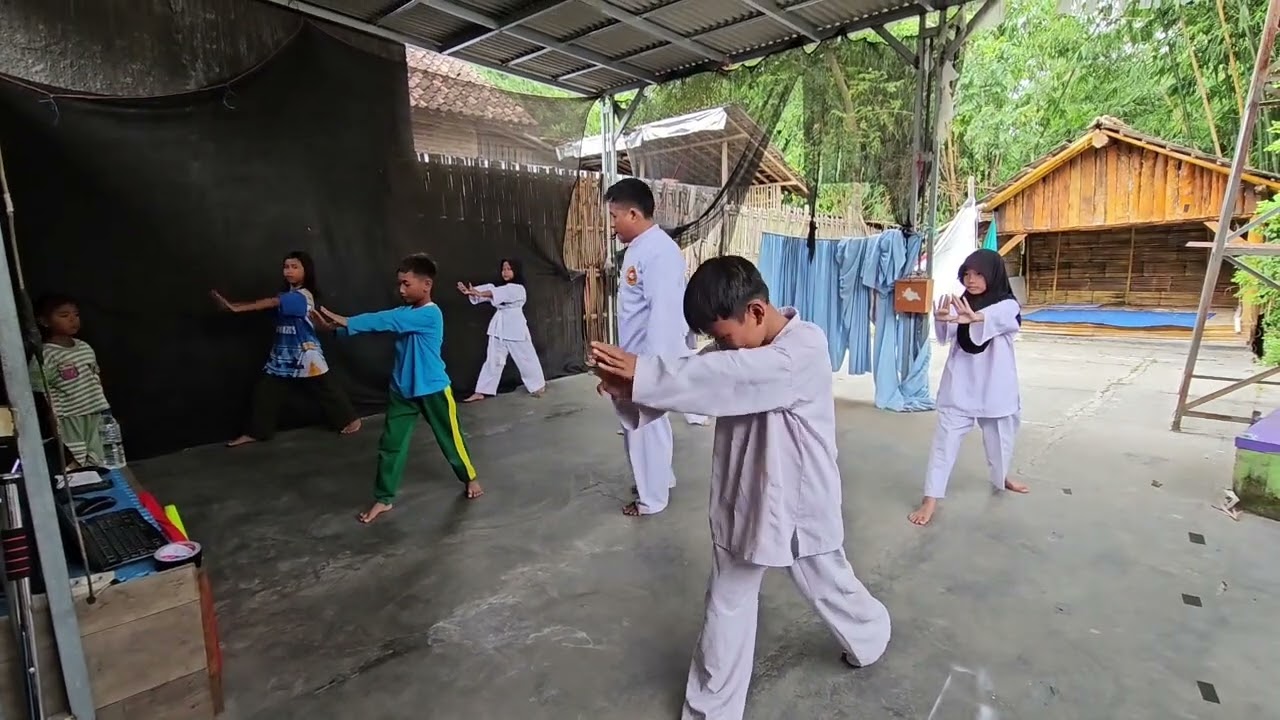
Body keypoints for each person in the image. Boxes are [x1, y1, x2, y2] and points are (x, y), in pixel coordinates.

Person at [591, 256, 891, 720]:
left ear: (755, 312)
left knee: (828, 583)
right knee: (727, 601)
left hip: (800, 503)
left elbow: (725, 378)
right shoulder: (737, 351)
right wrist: (631, 390)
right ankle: (711, 711)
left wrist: (645, 375)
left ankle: (871, 635)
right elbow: (696, 374)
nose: (720, 347)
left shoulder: (801, 350)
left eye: (723, 335)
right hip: (747, 502)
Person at [310, 253, 483, 524]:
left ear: (426, 285)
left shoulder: (431, 314)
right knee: (391, 445)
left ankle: (469, 477)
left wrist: (346, 320)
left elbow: (385, 320)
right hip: (402, 390)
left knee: (451, 438)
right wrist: (333, 330)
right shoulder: (405, 312)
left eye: (406, 284)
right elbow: (386, 320)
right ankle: (384, 498)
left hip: (433, 389)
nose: (401, 290)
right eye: (399, 284)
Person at [909, 248, 1030, 527]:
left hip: (994, 388)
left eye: (978, 274)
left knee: (1000, 440)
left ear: (993, 274)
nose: (971, 279)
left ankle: (1001, 477)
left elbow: (1000, 317)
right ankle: (930, 499)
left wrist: (977, 318)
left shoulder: (1007, 305)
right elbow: (946, 336)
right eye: (967, 274)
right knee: (944, 444)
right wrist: (941, 319)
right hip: (960, 386)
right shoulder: (959, 302)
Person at [212, 251, 361, 447]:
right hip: (283, 352)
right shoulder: (290, 295)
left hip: (306, 353)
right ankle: (258, 432)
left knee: (326, 389)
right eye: (286, 267)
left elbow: (271, 302)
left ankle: (350, 420)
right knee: (266, 392)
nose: (289, 271)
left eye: (295, 267)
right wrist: (234, 306)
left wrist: (236, 308)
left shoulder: (301, 296)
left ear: (306, 271)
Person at [605, 177, 689, 517]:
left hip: (647, 358)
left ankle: (651, 499)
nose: (612, 226)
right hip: (634, 353)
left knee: (643, 427)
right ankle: (659, 479)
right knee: (649, 424)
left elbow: (665, 314)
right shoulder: (639, 248)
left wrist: (651, 369)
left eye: (615, 217)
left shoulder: (660, 252)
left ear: (634, 214)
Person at [28, 294, 113, 466]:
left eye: (76, 314)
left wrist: (101, 403)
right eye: (64, 316)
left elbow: (95, 376)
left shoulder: (85, 347)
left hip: (95, 411)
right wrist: (52, 420)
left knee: (99, 456)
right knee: (75, 460)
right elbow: (38, 391)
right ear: (44, 321)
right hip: (69, 417)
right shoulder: (45, 354)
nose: (73, 320)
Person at [457, 258, 547, 402]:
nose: (505, 272)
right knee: (493, 360)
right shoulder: (497, 286)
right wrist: (471, 292)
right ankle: (482, 390)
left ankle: (537, 385)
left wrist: (480, 293)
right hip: (498, 328)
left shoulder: (518, 288)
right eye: (503, 269)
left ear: (515, 270)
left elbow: (496, 293)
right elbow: (490, 290)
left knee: (526, 358)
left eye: (509, 269)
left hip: (515, 326)